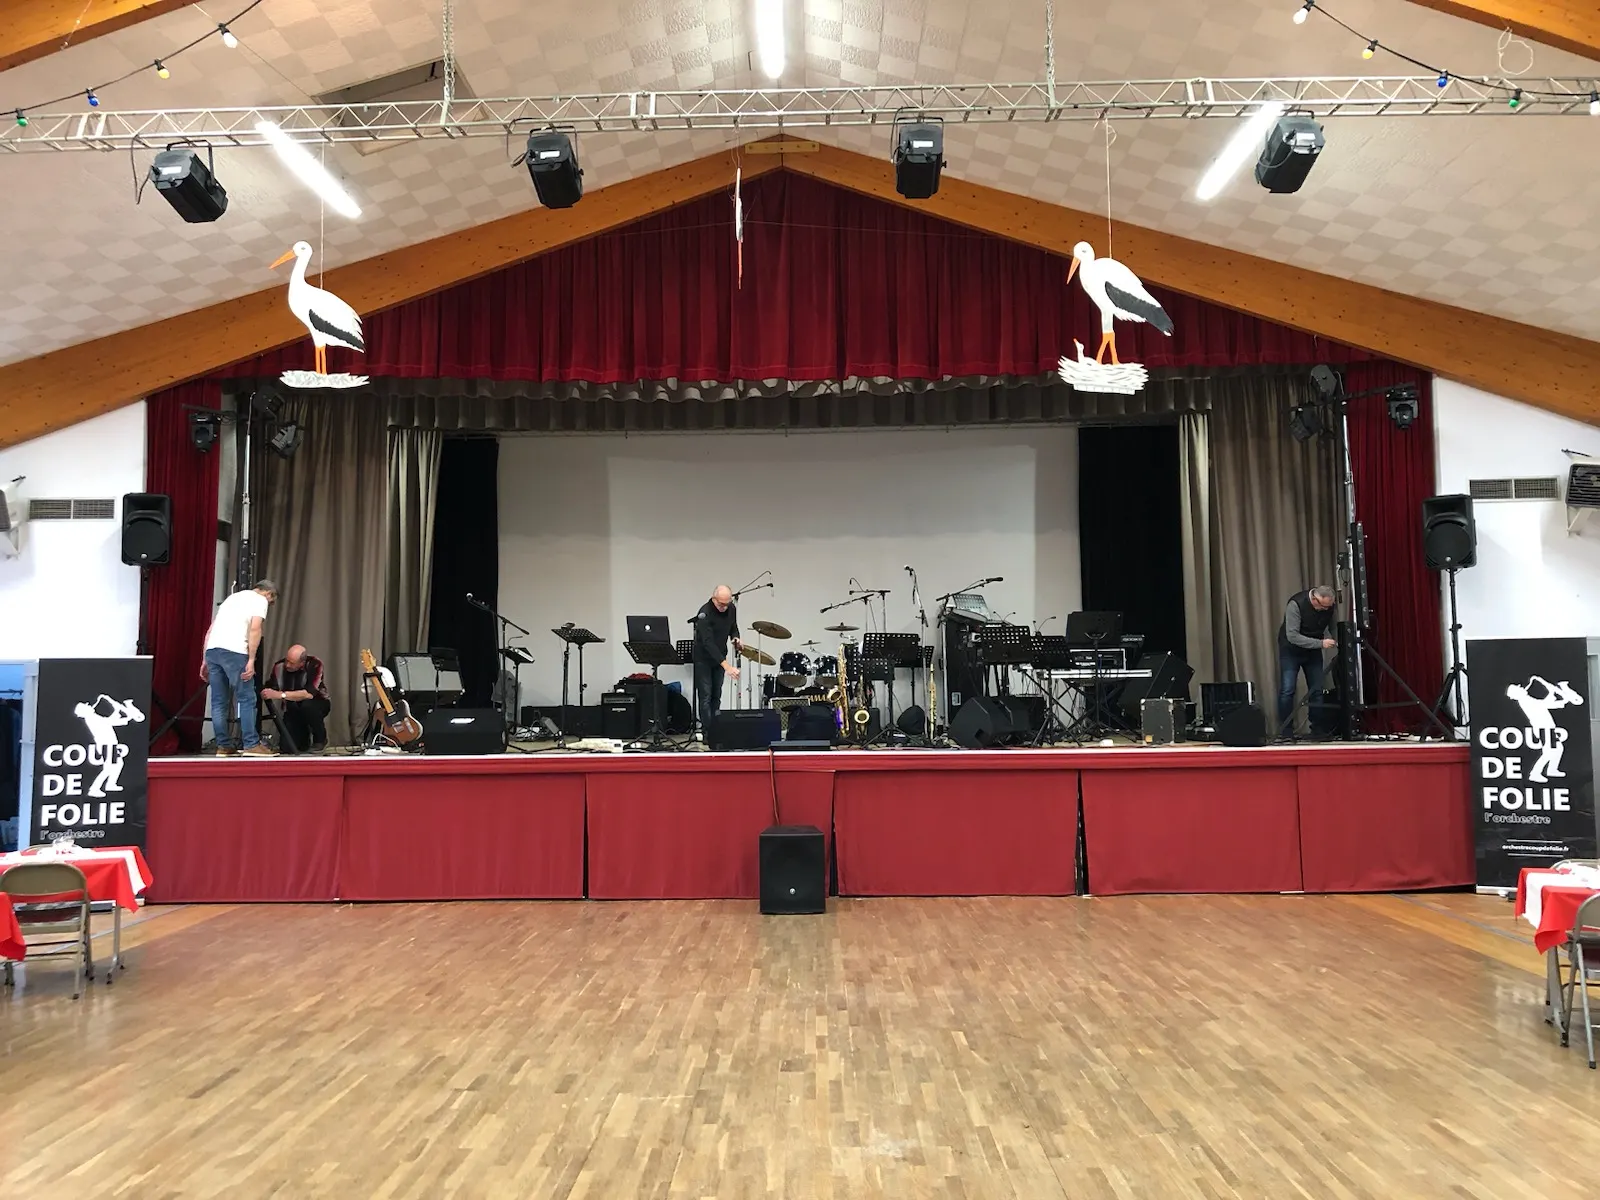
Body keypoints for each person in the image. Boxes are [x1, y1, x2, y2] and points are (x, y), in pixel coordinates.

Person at [201, 580, 278, 757]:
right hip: (235, 651)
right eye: (271, 601)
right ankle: (251, 744)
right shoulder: (260, 600)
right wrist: (251, 659)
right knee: (247, 698)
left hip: (213, 650)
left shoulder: (231, 598)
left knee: (218, 701)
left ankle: (223, 746)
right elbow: (255, 629)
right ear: (269, 594)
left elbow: (210, 630)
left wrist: (205, 660)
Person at [1276, 584, 1336, 736]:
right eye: (1323, 607)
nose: (1326, 610)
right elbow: (1293, 636)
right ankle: (1286, 731)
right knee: (1288, 690)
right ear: (1315, 600)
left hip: (1313, 651)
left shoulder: (1328, 606)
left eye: (1328, 607)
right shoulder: (1295, 604)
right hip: (1291, 650)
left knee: (1316, 690)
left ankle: (1317, 729)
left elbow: (1332, 627)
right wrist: (1321, 644)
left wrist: (1337, 640)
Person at [691, 585, 744, 733]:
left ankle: (715, 729)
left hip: (720, 657)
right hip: (703, 659)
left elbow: (733, 626)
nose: (724, 607)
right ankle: (707, 731)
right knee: (705, 696)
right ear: (714, 599)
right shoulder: (704, 614)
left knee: (716, 695)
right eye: (721, 604)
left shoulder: (731, 608)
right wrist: (727, 666)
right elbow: (708, 643)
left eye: (727, 604)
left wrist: (736, 638)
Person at [262, 644, 330, 753]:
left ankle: (320, 740)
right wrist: (266, 691)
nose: (287, 665)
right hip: (292, 708)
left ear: (302, 663)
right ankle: (303, 740)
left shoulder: (314, 665)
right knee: (288, 748)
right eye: (287, 661)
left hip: (316, 704)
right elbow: (271, 686)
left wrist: (281, 695)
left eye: (292, 663)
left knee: (308, 706)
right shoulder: (279, 667)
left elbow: (309, 694)